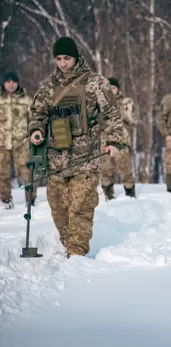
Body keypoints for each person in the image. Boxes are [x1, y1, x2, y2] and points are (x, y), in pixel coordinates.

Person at [29, 36, 124, 257]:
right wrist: (36, 131)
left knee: (80, 209)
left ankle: (77, 256)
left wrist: (113, 141)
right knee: (59, 209)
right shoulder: (47, 87)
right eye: (58, 58)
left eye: (67, 58)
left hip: (86, 161)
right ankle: (68, 245)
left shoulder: (95, 83)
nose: (62, 63)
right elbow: (37, 114)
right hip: (56, 161)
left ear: (76, 57)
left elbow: (112, 114)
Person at [0, 71, 36, 209]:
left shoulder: (26, 100)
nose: (11, 84)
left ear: (17, 83)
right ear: (4, 84)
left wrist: (33, 134)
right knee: (2, 172)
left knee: (27, 170)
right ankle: (5, 200)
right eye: (8, 82)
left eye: (13, 82)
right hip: (2, 141)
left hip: (21, 141)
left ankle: (31, 199)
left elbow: (34, 119)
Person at [100, 77, 137, 200]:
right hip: (104, 141)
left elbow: (133, 120)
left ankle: (130, 194)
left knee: (125, 169)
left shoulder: (125, 103)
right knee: (106, 169)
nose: (111, 90)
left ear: (118, 89)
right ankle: (108, 196)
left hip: (122, 141)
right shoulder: (100, 103)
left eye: (114, 88)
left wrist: (128, 110)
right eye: (109, 88)